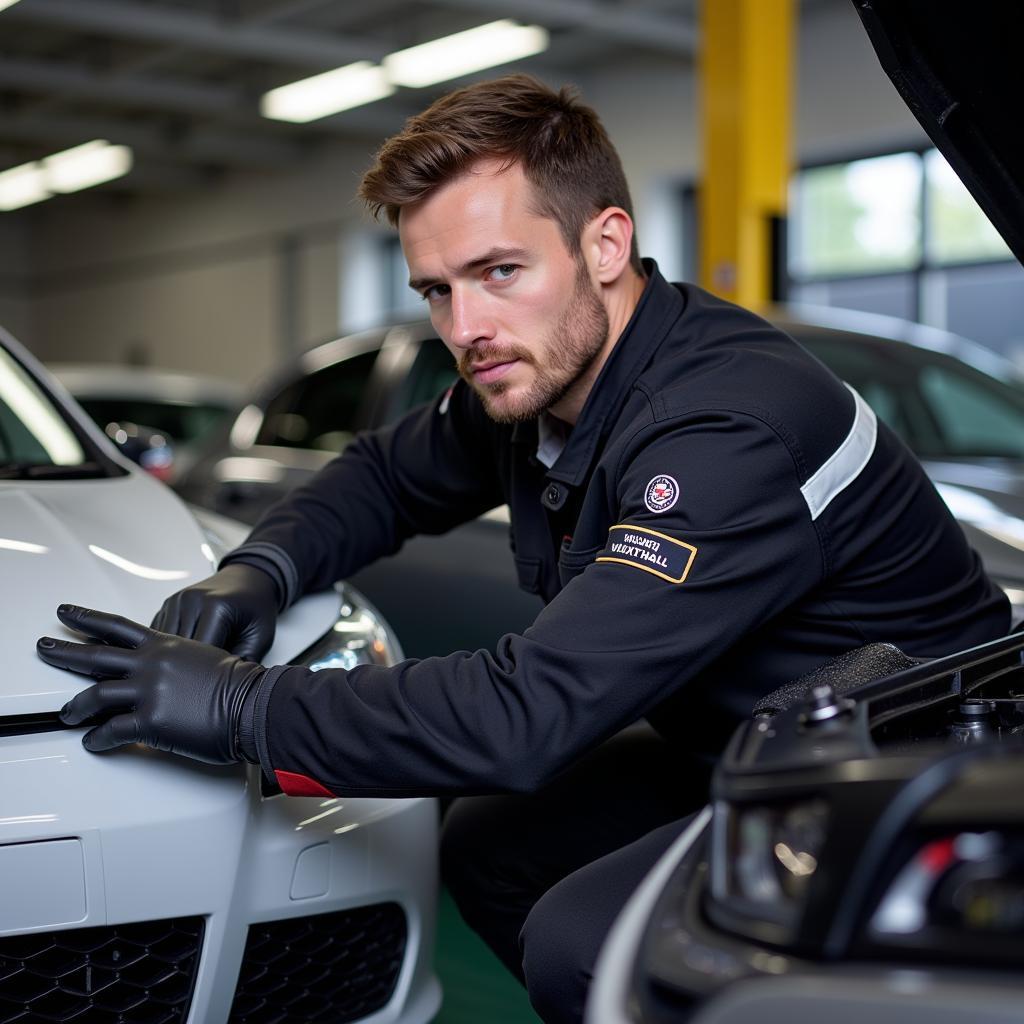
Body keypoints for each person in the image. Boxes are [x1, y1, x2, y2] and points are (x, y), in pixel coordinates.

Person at [37, 75, 1009, 1023]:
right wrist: (264, 566)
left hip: (898, 773)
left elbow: (526, 712)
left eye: (499, 272)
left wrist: (237, 705)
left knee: (584, 939)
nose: (466, 329)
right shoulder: (538, 376)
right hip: (754, 733)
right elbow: (381, 473)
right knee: (492, 844)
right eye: (436, 290)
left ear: (606, 242)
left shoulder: (723, 425)